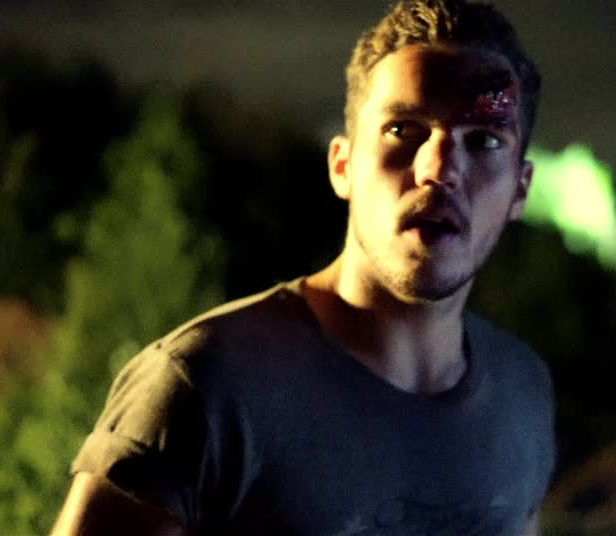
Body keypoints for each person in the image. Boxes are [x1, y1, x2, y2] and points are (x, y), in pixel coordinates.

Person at [51, 0, 554, 533]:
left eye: (484, 140)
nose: (439, 168)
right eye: (403, 130)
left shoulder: (522, 393)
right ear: (343, 166)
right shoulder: (207, 387)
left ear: (520, 190)